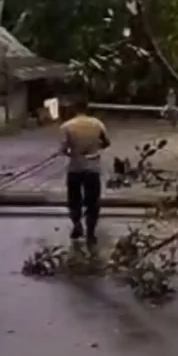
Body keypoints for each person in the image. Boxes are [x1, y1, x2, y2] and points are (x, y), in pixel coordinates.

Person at [59, 98, 110, 245]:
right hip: (93, 168)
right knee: (93, 201)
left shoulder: (67, 126)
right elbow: (107, 142)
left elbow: (63, 149)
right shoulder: (97, 124)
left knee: (74, 200)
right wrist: (95, 148)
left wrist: (73, 153)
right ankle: (91, 232)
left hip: (75, 168)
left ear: (74, 111)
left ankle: (77, 225)